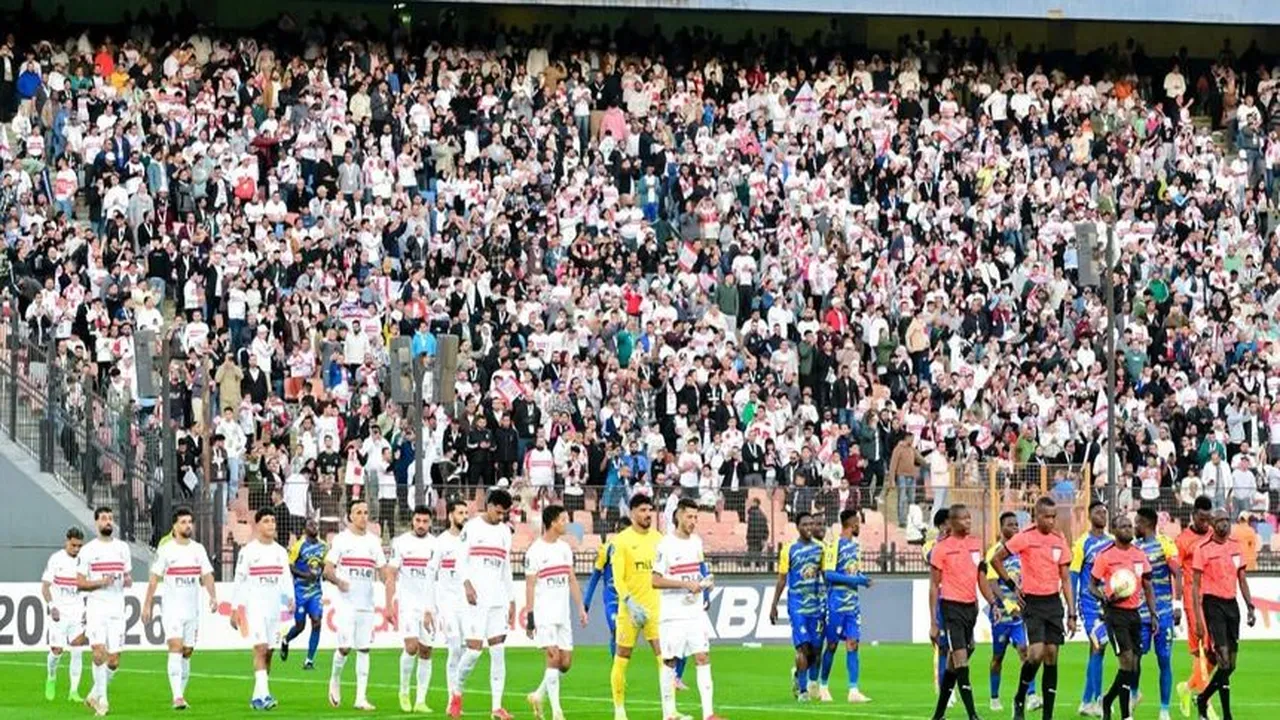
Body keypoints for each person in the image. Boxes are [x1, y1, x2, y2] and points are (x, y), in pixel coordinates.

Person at [991, 496, 1077, 720]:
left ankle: (1047, 715)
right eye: (1046, 516)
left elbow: (1066, 579)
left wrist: (1072, 612)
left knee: (1052, 655)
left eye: (1053, 517)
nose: (1050, 521)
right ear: (1036, 516)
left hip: (1053, 603)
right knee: (1036, 653)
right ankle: (1020, 697)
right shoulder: (1025, 537)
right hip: (1033, 603)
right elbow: (996, 560)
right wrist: (1012, 585)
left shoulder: (1059, 541)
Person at [653, 497, 725, 720]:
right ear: (678, 515)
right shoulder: (665, 544)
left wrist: (704, 583)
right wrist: (685, 584)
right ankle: (669, 713)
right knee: (670, 661)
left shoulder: (696, 542)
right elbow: (655, 581)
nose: (693, 521)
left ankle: (708, 714)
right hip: (673, 615)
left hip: (695, 613)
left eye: (696, 517)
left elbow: (698, 571)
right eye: (690, 516)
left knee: (703, 657)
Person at [142, 507, 217, 710]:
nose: (187, 525)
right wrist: (147, 604)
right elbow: (154, 578)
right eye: (183, 522)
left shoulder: (198, 549)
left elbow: (207, 574)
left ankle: (181, 693)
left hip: (192, 610)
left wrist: (213, 596)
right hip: (172, 610)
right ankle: (177, 696)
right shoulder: (166, 550)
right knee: (175, 647)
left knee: (187, 651)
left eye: (189, 522)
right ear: (174, 526)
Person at [929, 504, 998, 720]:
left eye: (970, 518)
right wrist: (933, 622)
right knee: (961, 660)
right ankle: (973, 715)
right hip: (951, 607)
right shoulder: (941, 549)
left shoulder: (977, 545)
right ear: (952, 522)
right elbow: (934, 586)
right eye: (964, 519)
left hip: (971, 608)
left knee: (955, 662)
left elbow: (981, 578)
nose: (968, 522)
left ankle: (938, 715)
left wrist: (993, 602)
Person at [453, 488, 517, 720]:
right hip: (476, 599)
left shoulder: (504, 532)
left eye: (504, 514)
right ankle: (457, 693)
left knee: (498, 651)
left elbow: (506, 568)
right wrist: (467, 584)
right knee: (473, 652)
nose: (501, 517)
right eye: (498, 512)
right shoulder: (472, 528)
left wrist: (511, 599)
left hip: (498, 599)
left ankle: (496, 707)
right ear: (489, 506)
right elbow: (459, 560)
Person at [1088, 514, 1158, 720]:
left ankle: (1107, 700)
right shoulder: (1105, 555)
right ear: (1115, 530)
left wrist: (1153, 614)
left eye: (1130, 526)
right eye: (1123, 526)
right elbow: (1091, 584)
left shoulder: (1139, 554)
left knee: (1134, 665)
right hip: (1115, 614)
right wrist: (1104, 597)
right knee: (1126, 661)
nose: (1128, 529)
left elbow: (1147, 585)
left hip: (1135, 614)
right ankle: (1125, 715)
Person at [324, 499, 392, 711]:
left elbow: (383, 571)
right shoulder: (341, 540)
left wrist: (387, 580)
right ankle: (335, 678)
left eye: (366, 512)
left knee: (364, 648)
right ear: (350, 516)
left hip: (367, 603)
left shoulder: (374, 541)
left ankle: (361, 697)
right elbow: (327, 570)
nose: (363, 516)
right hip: (346, 604)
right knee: (345, 647)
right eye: (358, 512)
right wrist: (339, 581)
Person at [1192, 508, 1258, 720]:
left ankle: (1202, 699)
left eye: (1226, 520)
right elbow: (1195, 586)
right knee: (1224, 662)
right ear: (1212, 523)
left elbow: (1242, 577)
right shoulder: (1203, 548)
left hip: (1232, 605)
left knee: (1232, 665)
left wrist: (1250, 605)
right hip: (1213, 606)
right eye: (1219, 521)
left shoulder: (1236, 547)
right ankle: (1227, 714)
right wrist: (1199, 620)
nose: (1224, 524)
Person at [524, 504, 589, 720]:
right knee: (552, 658)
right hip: (544, 615)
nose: (566, 524)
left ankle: (537, 694)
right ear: (552, 522)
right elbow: (530, 585)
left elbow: (571, 579)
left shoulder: (564, 549)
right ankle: (557, 712)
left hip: (563, 614)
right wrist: (531, 618)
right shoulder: (535, 551)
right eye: (563, 520)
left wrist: (580, 607)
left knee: (565, 663)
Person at [230, 507, 294, 710]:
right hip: (255, 608)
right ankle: (265, 696)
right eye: (266, 521)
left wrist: (291, 599)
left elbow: (286, 579)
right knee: (260, 648)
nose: (271, 524)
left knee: (269, 652)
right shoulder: (248, 551)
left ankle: (257, 697)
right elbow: (239, 581)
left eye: (273, 521)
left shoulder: (280, 552)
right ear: (257, 525)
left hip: (275, 608)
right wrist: (234, 609)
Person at [609, 494, 664, 720]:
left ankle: (668, 710)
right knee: (622, 655)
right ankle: (619, 710)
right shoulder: (620, 541)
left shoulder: (659, 539)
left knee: (665, 657)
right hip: (630, 610)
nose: (647, 514)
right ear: (632, 513)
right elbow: (618, 577)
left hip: (655, 608)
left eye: (649, 510)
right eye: (642, 510)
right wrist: (629, 602)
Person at [76, 507, 133, 718]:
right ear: (96, 523)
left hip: (117, 608)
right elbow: (80, 583)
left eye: (110, 518)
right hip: (96, 607)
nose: (108, 522)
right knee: (98, 652)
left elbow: (127, 577)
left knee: (114, 660)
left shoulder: (122, 548)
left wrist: (127, 580)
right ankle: (103, 701)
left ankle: (93, 694)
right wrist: (101, 582)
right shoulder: (89, 550)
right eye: (103, 519)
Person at [986, 512, 1040, 713]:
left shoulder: (1021, 551)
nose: (1016, 528)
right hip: (1002, 613)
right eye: (1011, 525)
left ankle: (1032, 695)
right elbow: (992, 582)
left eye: (1017, 524)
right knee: (997, 658)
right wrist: (1006, 602)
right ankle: (994, 696)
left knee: (1025, 652)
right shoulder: (995, 552)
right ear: (1002, 528)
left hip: (1019, 614)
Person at [818, 509, 872, 703]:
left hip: (852, 605)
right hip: (835, 604)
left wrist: (863, 579)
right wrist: (855, 580)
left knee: (853, 644)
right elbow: (829, 574)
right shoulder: (834, 546)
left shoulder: (856, 548)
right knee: (831, 645)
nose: (859, 526)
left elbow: (853, 573)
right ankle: (823, 685)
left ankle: (853, 690)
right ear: (851, 524)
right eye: (857, 523)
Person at [769, 512, 824, 701]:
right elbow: (782, 579)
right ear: (798, 527)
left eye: (811, 524)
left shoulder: (821, 548)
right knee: (803, 648)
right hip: (797, 604)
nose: (809, 527)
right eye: (805, 524)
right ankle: (802, 691)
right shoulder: (789, 549)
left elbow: (825, 575)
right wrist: (774, 604)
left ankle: (802, 677)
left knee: (816, 650)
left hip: (816, 605)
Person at [388, 506, 439, 713]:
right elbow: (391, 574)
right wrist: (389, 603)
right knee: (411, 647)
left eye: (425, 521)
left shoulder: (437, 545)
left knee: (426, 651)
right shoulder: (400, 543)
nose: (421, 525)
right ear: (412, 520)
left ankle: (420, 700)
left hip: (430, 605)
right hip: (408, 603)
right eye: (418, 520)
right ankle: (403, 691)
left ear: (430, 523)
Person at [1133, 507, 1181, 720]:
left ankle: (1164, 709)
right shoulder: (1133, 547)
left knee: (1164, 659)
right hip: (1138, 613)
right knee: (1133, 658)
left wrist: (1177, 604)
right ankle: (1133, 696)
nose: (1134, 526)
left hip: (1163, 612)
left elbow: (1177, 573)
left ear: (1147, 524)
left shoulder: (1165, 544)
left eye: (1137, 523)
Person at [1070, 501, 1113, 717]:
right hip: (1089, 604)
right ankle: (1098, 700)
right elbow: (1073, 576)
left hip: (1110, 605)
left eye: (1105, 512)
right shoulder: (1082, 544)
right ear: (1089, 516)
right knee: (1099, 646)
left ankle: (1086, 701)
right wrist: (1072, 610)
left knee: (1097, 651)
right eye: (1098, 512)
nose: (1102, 515)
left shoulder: (1113, 542)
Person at [429, 500, 470, 712]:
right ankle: (451, 698)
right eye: (460, 512)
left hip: (466, 603)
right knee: (454, 647)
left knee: (465, 649)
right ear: (451, 516)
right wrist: (430, 605)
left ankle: (457, 695)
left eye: (466, 512)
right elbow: (430, 572)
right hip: (446, 603)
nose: (464, 516)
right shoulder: (441, 542)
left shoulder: (470, 542)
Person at [1175, 496, 1215, 715]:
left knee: (1214, 653)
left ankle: (1188, 687)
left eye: (1208, 518)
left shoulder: (1212, 536)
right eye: (1202, 518)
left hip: (1213, 598)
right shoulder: (1183, 540)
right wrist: (1176, 603)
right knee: (1200, 651)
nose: (1205, 523)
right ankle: (1205, 703)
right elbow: (1177, 574)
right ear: (1193, 515)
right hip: (1193, 601)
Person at [41, 527, 87, 703]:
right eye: (74, 545)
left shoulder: (84, 562)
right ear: (66, 541)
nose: (76, 549)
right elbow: (45, 587)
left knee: (77, 650)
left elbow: (87, 588)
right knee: (56, 651)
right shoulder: (56, 559)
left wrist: (86, 610)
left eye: (79, 546)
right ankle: (51, 677)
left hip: (77, 612)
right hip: (59, 613)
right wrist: (52, 606)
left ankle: (73, 691)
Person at [281, 518, 327, 670]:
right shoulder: (298, 546)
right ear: (304, 529)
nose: (314, 526)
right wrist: (305, 575)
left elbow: (326, 565)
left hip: (315, 592)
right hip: (300, 592)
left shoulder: (324, 546)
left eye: (315, 524)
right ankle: (286, 639)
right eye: (310, 524)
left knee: (317, 621)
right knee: (300, 626)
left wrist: (324, 570)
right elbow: (290, 567)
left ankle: (309, 660)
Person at [584, 516, 632, 657]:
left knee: (625, 637)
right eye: (622, 531)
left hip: (629, 598)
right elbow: (595, 577)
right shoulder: (607, 549)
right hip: (612, 598)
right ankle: (615, 667)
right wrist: (586, 603)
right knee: (616, 630)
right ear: (617, 531)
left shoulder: (634, 550)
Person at [924, 508, 952, 703]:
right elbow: (930, 556)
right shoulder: (931, 546)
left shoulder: (959, 544)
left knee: (959, 647)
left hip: (958, 599)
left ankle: (952, 686)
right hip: (941, 599)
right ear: (943, 525)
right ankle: (944, 689)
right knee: (943, 647)